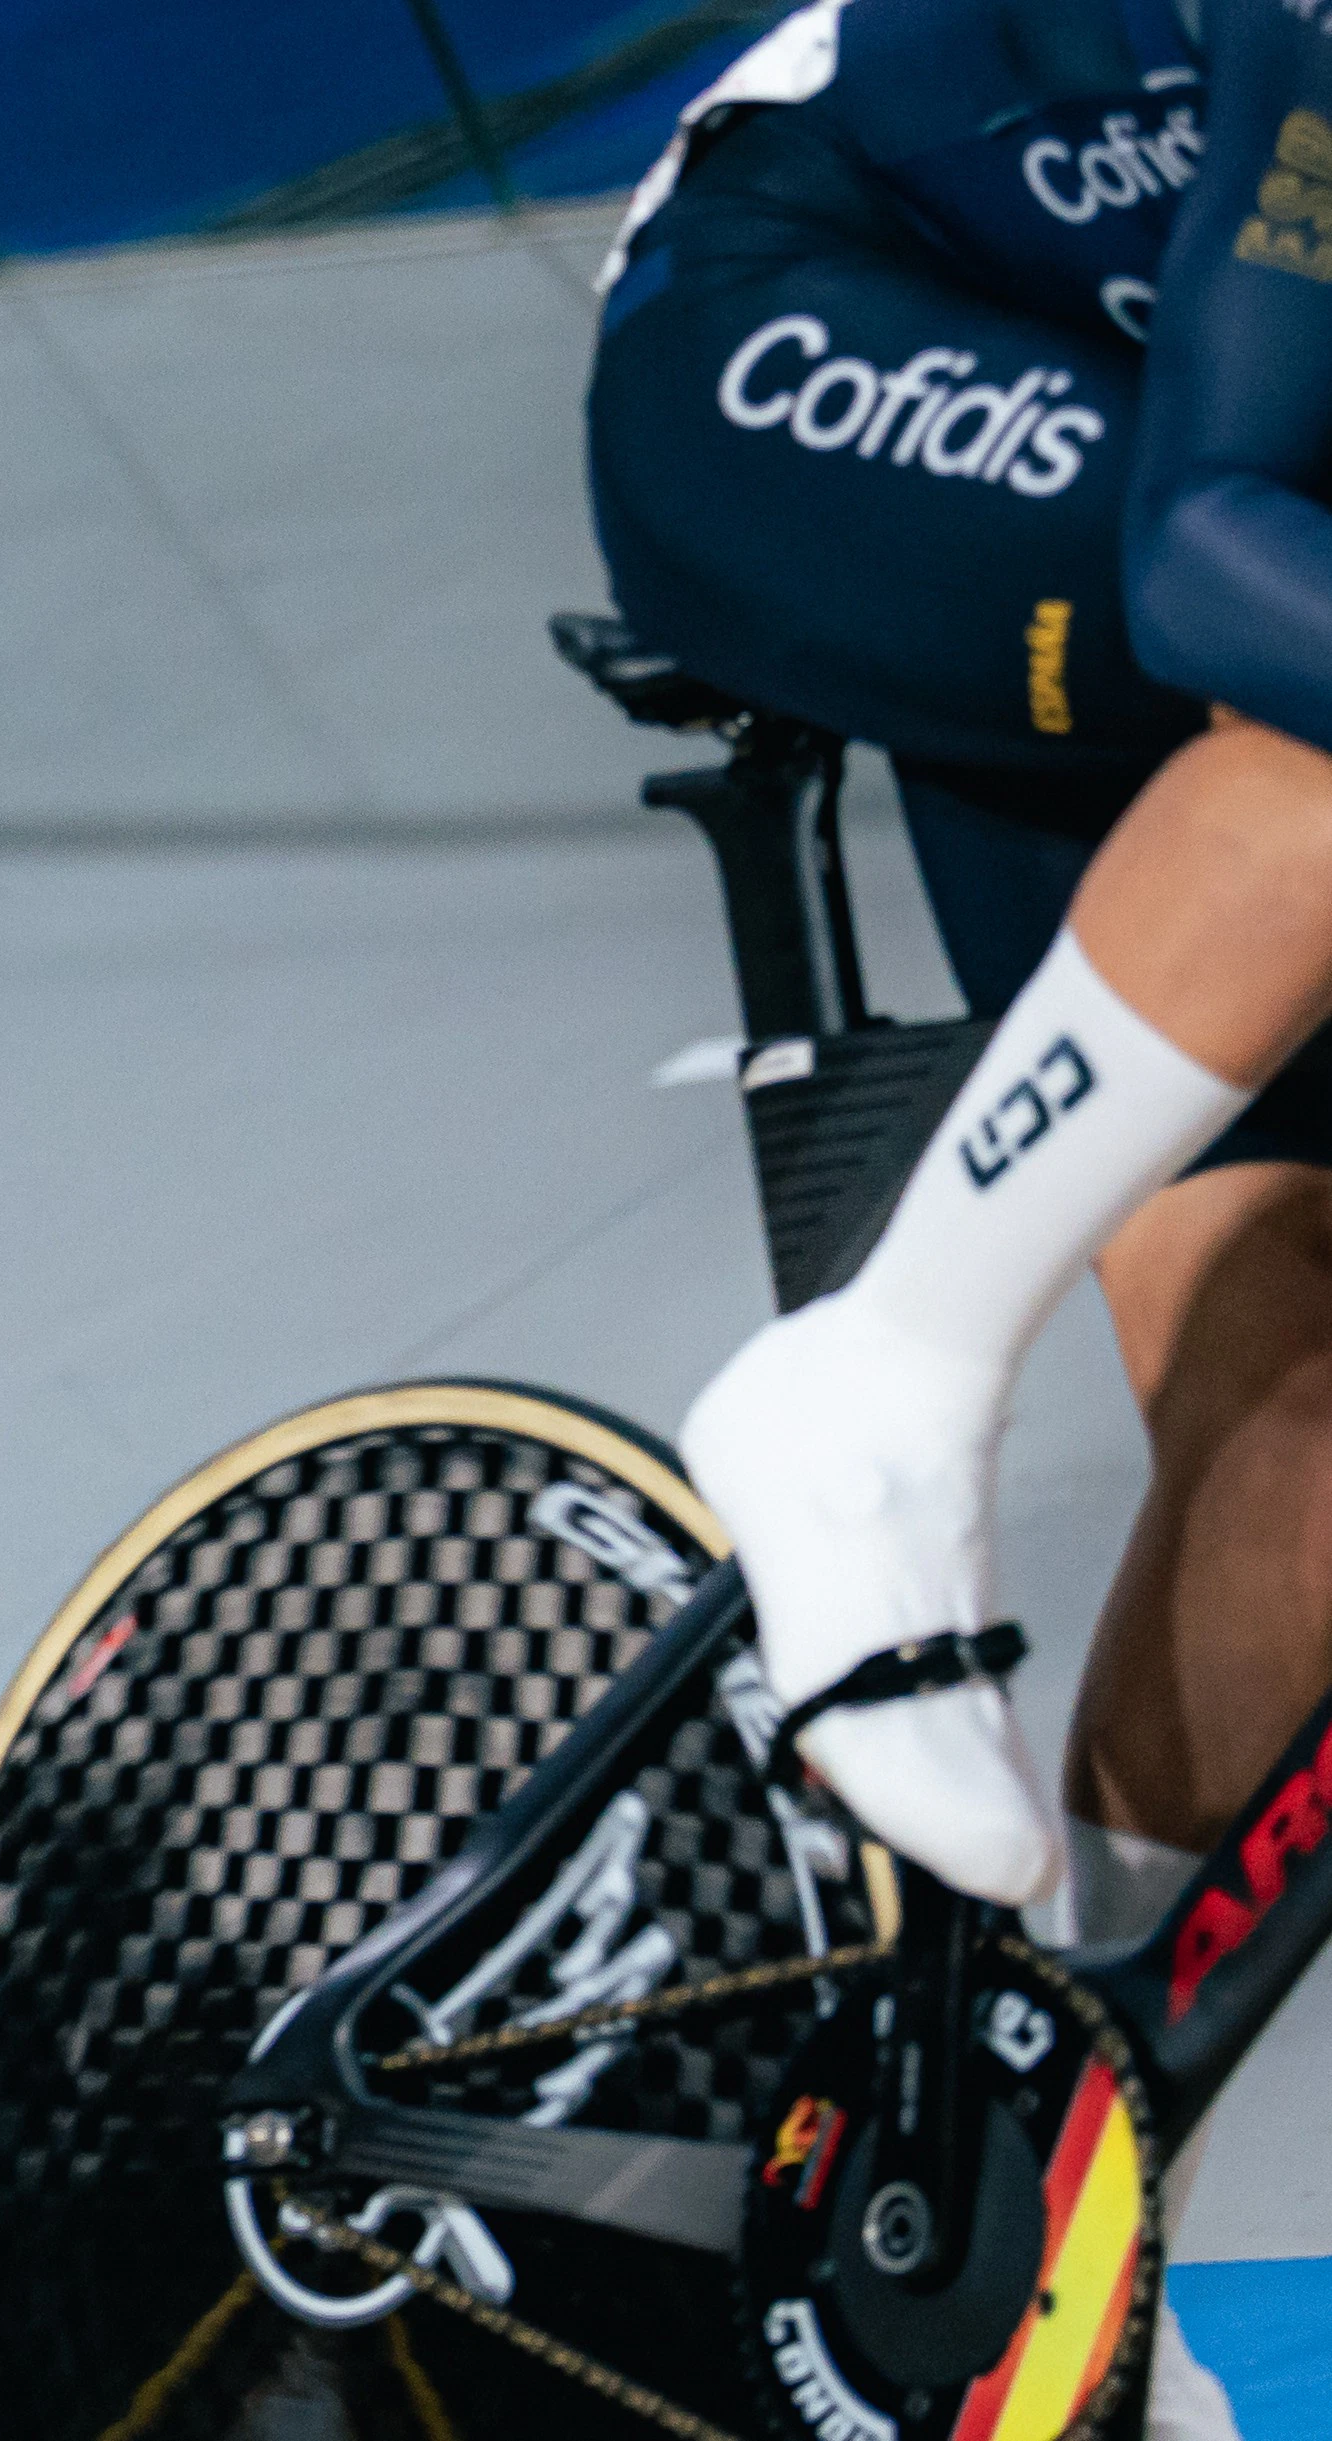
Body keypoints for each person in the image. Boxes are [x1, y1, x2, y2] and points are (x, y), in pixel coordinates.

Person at [588, 1, 1332, 2427]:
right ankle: (875, 1379)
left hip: (1142, 435)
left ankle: (1064, 2202)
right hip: (806, 318)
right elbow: (1218, 554)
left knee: (1304, 1432)